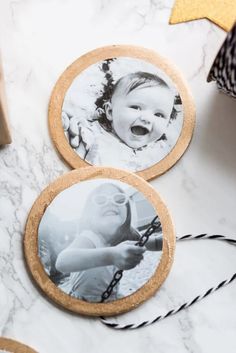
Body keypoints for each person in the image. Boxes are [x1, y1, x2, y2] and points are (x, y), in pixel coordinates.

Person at [55, 182, 162, 302]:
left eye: (119, 199)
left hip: (110, 296)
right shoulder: (89, 237)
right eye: (101, 200)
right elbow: (62, 262)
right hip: (83, 300)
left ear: (127, 211)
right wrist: (111, 256)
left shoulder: (128, 235)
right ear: (89, 214)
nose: (110, 203)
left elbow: (156, 243)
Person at [63, 71, 179, 172]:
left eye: (159, 114)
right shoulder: (91, 136)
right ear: (109, 111)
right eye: (136, 107)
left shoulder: (155, 156)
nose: (147, 118)